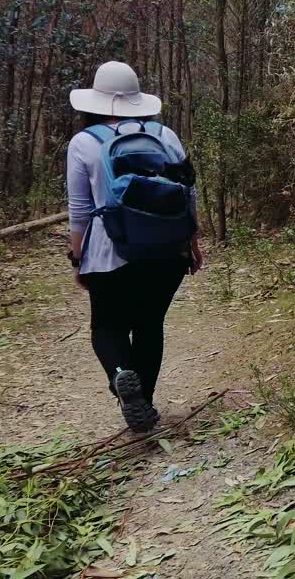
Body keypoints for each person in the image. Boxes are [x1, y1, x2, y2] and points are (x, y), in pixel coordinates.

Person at [65, 61, 204, 432]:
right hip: (166, 251)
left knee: (106, 328)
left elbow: (80, 210)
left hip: (110, 252)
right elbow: (188, 191)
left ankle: (123, 376)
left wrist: (78, 257)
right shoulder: (166, 135)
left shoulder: (84, 143)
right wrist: (192, 241)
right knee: (149, 325)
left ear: (93, 102)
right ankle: (145, 405)